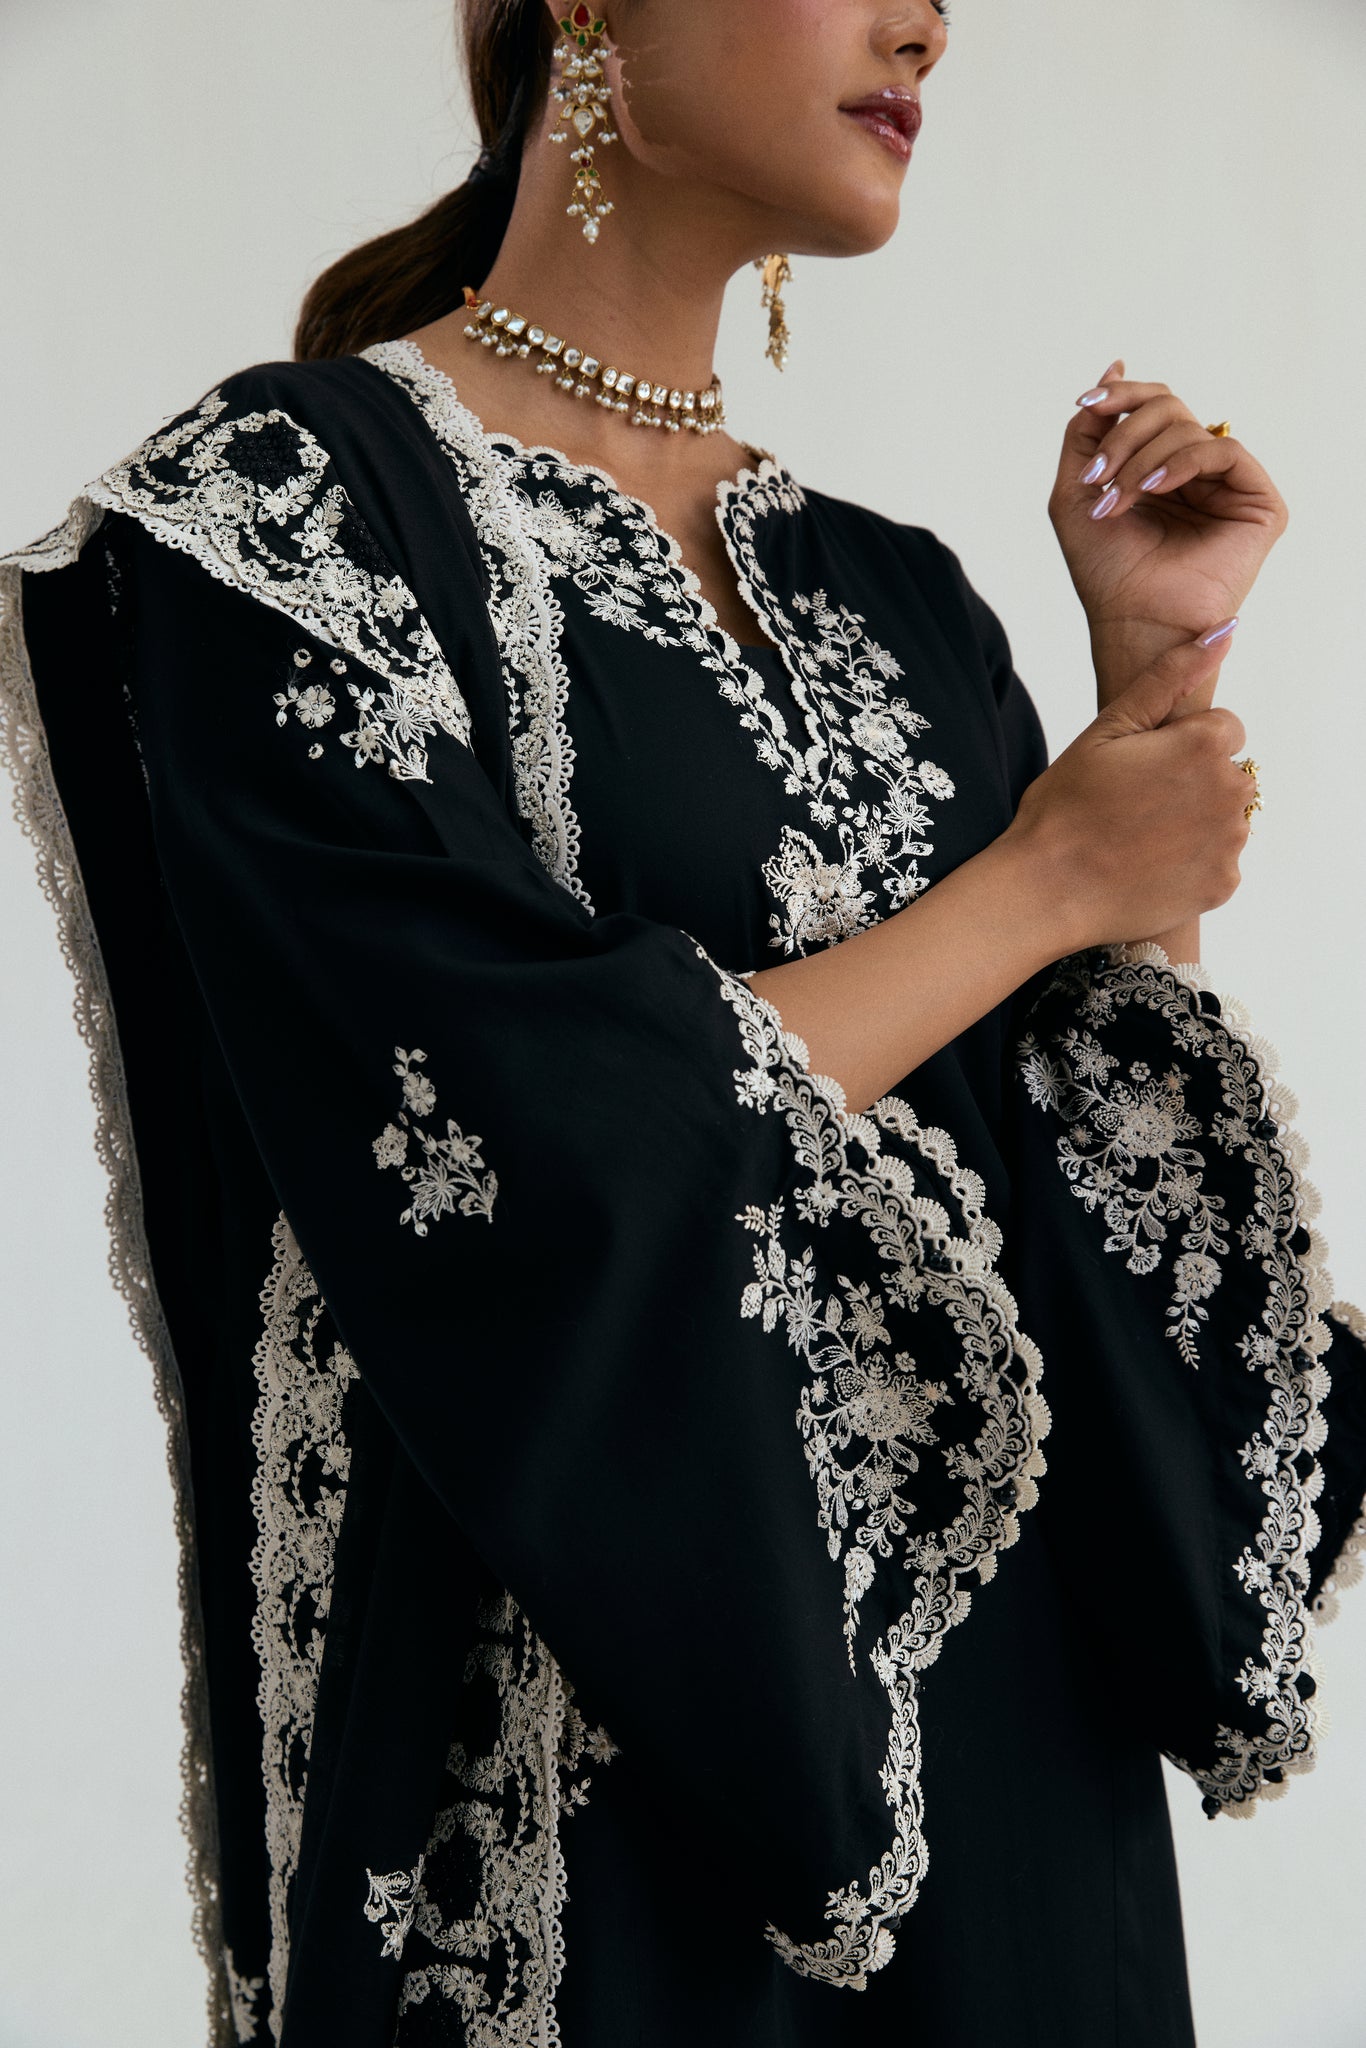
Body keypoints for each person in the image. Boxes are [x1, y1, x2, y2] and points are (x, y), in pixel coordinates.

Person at [2, 2, 1364, 2043]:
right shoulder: (290, 518)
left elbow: (1084, 1244)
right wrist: (1041, 879)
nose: (923, 22)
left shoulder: (903, 600)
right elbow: (510, 1148)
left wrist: (1148, 692)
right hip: (579, 1809)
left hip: (1011, 1823)